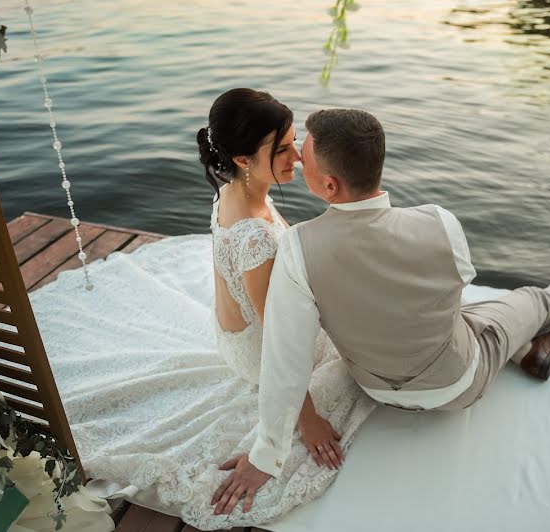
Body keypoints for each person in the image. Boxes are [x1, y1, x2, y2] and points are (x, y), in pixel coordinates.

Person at [211, 108, 550, 515]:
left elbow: (283, 358)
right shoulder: (440, 222)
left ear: (328, 185)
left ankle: (530, 349)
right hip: (456, 385)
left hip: (374, 387)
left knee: (472, 316)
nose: (295, 158)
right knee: (527, 302)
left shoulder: (297, 248)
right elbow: (456, 285)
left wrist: (266, 456)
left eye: (302, 157)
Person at [31, 90, 375, 531]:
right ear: (244, 159)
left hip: (231, 336)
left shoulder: (237, 191)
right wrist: (306, 423)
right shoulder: (254, 240)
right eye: (283, 148)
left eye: (292, 142)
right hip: (259, 351)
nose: (299, 158)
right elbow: (279, 345)